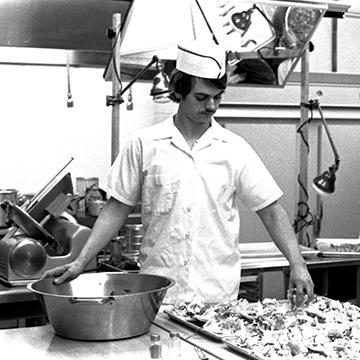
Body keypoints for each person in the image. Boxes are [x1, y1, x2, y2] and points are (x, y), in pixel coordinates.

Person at [44, 40, 314, 305]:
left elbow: (270, 209)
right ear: (179, 91)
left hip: (216, 296)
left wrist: (297, 263)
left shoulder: (234, 148)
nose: (211, 106)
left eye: (217, 97)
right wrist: (80, 261)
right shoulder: (146, 143)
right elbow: (116, 208)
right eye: (201, 97)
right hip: (160, 294)